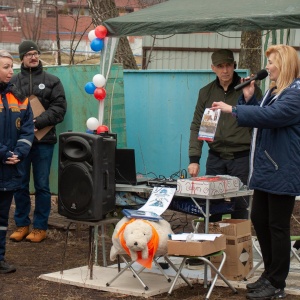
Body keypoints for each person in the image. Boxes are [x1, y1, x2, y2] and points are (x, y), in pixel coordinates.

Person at [211, 44, 300, 300]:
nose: (267, 67)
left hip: (283, 170)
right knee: (260, 220)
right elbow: (262, 112)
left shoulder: (295, 93)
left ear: (283, 64)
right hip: (266, 169)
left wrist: (233, 109)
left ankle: (276, 282)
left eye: (271, 62)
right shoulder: (275, 91)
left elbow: (272, 116)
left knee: (277, 226)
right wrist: (249, 98)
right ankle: (269, 274)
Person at [188, 49, 262, 221]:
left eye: (228, 65)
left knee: (241, 206)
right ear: (213, 68)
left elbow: (260, 120)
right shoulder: (206, 93)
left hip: (241, 158)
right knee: (212, 207)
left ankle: (238, 246)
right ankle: (214, 244)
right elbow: (197, 125)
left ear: (234, 66)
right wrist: (194, 158)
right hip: (215, 157)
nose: (225, 70)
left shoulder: (249, 89)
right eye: (220, 66)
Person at [9, 40, 67, 243]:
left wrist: (37, 123)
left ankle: (40, 227)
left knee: (42, 185)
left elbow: (59, 108)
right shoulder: (13, 82)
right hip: (20, 143)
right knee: (20, 184)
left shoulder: (52, 81)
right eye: (28, 54)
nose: (33, 57)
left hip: (44, 142)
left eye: (36, 53)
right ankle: (22, 224)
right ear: (22, 58)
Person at [0, 50, 34, 273]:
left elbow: (28, 129)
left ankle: (0, 258)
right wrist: (3, 152)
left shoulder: (20, 98)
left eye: (11, 66)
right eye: (5, 67)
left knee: (3, 218)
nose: (11, 70)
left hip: (10, 170)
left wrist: (18, 153)